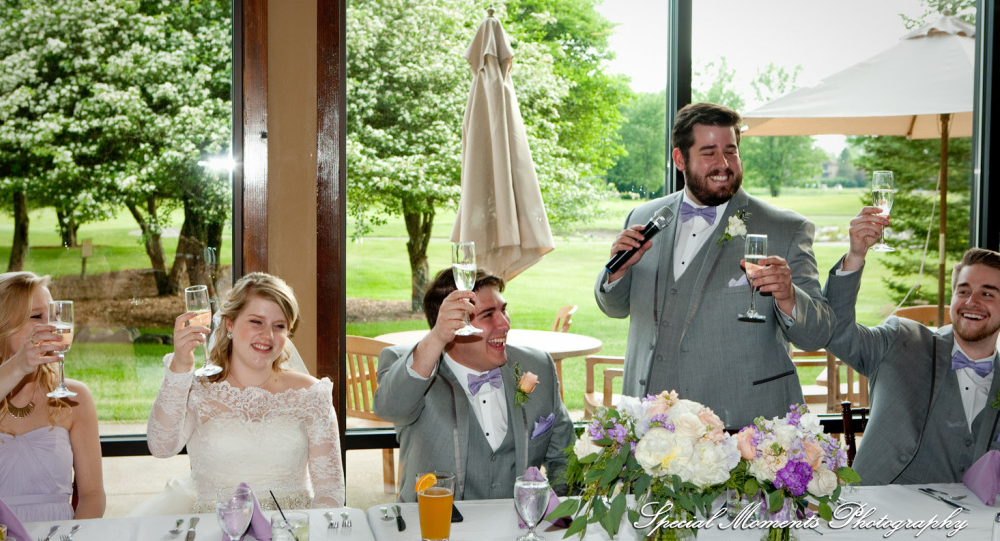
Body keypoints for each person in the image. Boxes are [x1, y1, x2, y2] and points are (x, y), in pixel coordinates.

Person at [595, 102, 833, 429]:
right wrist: (617, 272)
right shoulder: (642, 218)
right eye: (709, 152)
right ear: (680, 159)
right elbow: (614, 307)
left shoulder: (786, 230)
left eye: (731, 151)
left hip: (743, 428)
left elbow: (816, 334)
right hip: (649, 425)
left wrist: (789, 296)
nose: (723, 164)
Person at [824, 208, 1000, 485]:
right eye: (963, 291)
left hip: (976, 524)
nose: (971, 302)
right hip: (883, 514)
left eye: (987, 293)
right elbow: (836, 334)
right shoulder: (901, 341)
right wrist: (856, 256)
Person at [146, 272, 344, 513]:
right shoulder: (198, 390)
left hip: (290, 536)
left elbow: (330, 492)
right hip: (217, 535)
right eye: (256, 322)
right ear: (229, 323)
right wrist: (180, 365)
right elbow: (161, 446)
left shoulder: (311, 394)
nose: (268, 335)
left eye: (279, 326)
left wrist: (296, 538)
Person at [373, 268, 574, 503]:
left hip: (518, 532)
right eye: (488, 315)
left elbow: (564, 459)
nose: (505, 323)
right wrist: (437, 337)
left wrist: (560, 517)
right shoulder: (416, 368)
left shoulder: (537, 366)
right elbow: (389, 409)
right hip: (436, 531)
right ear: (453, 328)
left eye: (503, 310)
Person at [0, 272, 106, 522]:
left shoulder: (75, 398)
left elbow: (92, 494)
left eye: (55, 316)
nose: (53, 326)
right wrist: (17, 367)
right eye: (37, 316)